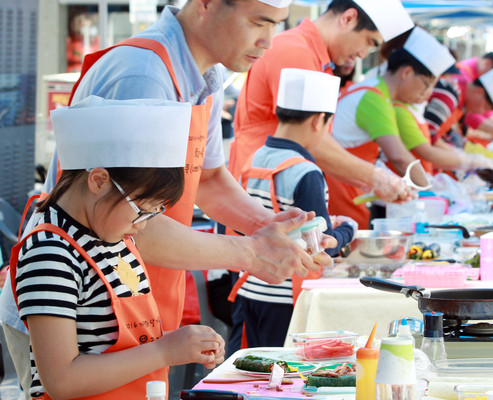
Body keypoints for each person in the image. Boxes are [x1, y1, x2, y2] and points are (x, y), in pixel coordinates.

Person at [0, 0, 336, 396]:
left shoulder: (206, 77)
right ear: (207, 5)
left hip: (128, 313)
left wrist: (273, 230)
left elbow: (208, 180)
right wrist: (252, 254)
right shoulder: (142, 76)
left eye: (277, 25)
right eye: (258, 22)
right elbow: (129, 224)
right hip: (75, 310)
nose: (269, 41)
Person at [11, 97, 226, 399]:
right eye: (141, 209)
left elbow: (114, 343)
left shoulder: (116, 237)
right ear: (99, 181)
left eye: (155, 212)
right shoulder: (50, 252)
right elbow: (60, 380)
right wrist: (164, 351)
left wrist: (181, 344)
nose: (143, 225)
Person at [230, 0, 417, 206]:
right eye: (369, 42)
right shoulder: (296, 51)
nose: (363, 54)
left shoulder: (314, 57)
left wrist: (372, 182)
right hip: (260, 194)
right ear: (347, 18)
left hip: (274, 189)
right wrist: (376, 177)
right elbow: (313, 141)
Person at [229, 69, 356, 352]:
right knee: (284, 377)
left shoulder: (256, 157)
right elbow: (321, 247)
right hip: (284, 299)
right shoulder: (306, 171)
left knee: (247, 374)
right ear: (317, 121)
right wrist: (348, 228)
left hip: (249, 290)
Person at [329, 27, 490, 228]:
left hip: (350, 186)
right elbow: (400, 158)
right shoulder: (374, 99)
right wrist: (433, 192)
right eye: (426, 84)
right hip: (341, 190)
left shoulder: (373, 91)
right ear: (407, 72)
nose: (427, 93)